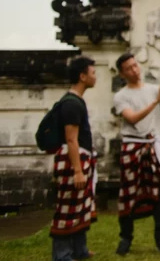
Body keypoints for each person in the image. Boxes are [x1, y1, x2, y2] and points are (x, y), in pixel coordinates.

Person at [112, 52, 160, 255]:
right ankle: (125, 238)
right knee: (128, 193)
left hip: (152, 145)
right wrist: (155, 101)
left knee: (158, 193)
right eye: (129, 68)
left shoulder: (153, 89)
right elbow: (132, 119)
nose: (134, 70)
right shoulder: (121, 96)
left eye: (135, 65)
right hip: (132, 146)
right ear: (122, 74)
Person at [50, 55, 98, 261]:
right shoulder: (72, 104)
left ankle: (80, 249)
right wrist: (78, 170)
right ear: (82, 76)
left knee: (80, 205)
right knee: (68, 207)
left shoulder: (76, 101)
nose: (95, 76)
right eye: (93, 73)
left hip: (79, 158)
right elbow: (71, 140)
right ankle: (62, 254)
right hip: (73, 160)